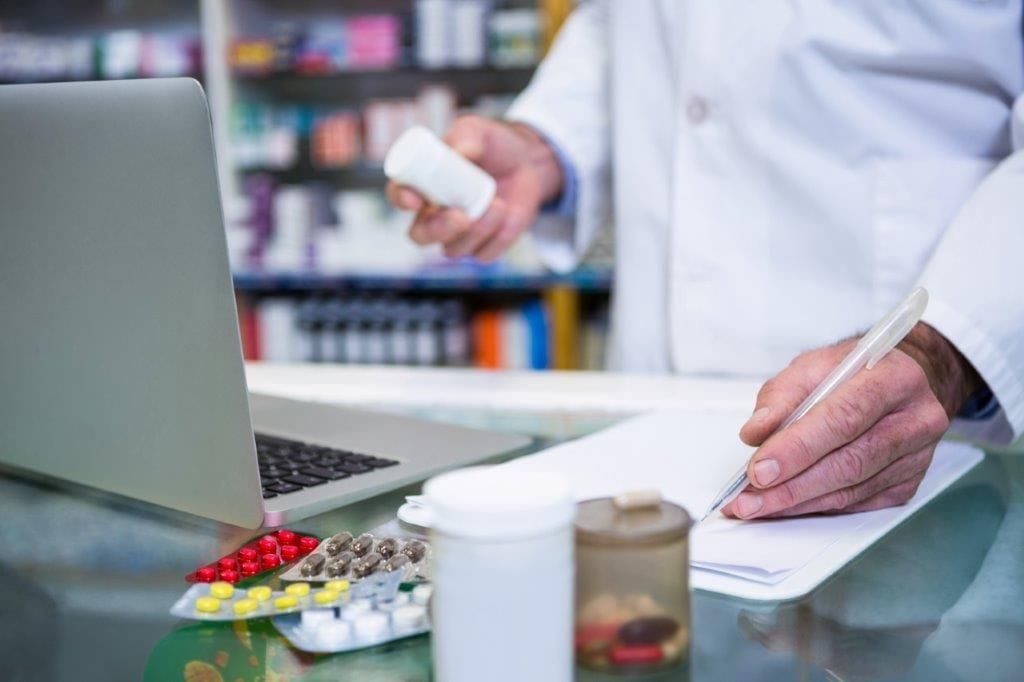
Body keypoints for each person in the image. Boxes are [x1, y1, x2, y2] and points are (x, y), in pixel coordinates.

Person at [386, 2, 1024, 519]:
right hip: (646, 408)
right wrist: (546, 147)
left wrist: (950, 344)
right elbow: (619, 23)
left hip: (919, 415)